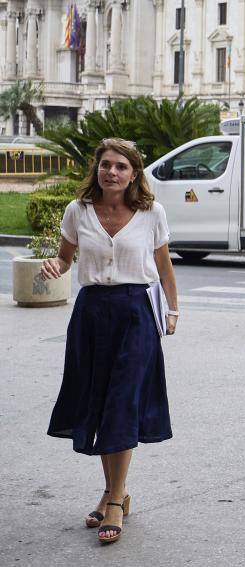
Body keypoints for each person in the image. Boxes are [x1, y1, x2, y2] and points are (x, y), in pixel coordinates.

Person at [42, 138, 179, 544]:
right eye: (106, 165)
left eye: (121, 166)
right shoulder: (78, 211)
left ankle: (115, 500)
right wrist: (56, 264)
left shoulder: (151, 212)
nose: (112, 172)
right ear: (97, 169)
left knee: (122, 403)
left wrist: (173, 311)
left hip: (136, 312)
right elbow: (65, 257)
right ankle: (112, 491)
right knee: (100, 402)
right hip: (92, 314)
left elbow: (164, 265)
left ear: (134, 173)